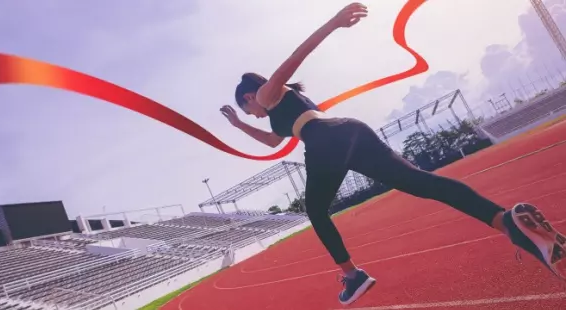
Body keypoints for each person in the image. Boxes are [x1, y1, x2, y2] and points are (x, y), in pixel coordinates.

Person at [220, 2, 566, 306]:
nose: (255, 115)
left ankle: (352, 276)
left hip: (324, 140)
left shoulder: (266, 94)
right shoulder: (283, 106)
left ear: (249, 97)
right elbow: (271, 144)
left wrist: (333, 23)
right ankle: (506, 221)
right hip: (351, 132)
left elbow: (294, 59)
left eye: (248, 111)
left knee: (315, 209)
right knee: (422, 183)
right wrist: (238, 127)